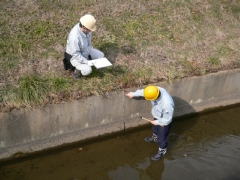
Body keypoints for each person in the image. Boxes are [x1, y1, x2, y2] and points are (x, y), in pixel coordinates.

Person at [125, 85, 174, 161]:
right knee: (154, 128)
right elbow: (144, 92)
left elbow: (167, 119)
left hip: (164, 120)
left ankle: (162, 150)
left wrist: (158, 122)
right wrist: (133, 94)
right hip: (157, 114)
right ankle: (155, 138)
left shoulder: (167, 104)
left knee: (162, 137)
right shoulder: (153, 90)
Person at [63, 14, 105, 78]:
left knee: (101, 55)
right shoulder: (74, 37)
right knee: (88, 70)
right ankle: (77, 72)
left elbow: (89, 43)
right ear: (84, 27)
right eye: (89, 30)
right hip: (74, 56)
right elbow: (75, 54)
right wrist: (87, 62)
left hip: (85, 49)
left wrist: (90, 51)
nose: (91, 31)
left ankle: (89, 60)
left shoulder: (87, 29)